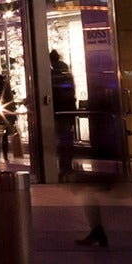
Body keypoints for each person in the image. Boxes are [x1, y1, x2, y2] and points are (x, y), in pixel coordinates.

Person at [50, 51, 78, 179]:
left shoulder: (52, 73)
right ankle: (66, 165)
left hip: (58, 111)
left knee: (60, 140)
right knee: (66, 139)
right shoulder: (66, 72)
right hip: (68, 110)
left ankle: (62, 166)